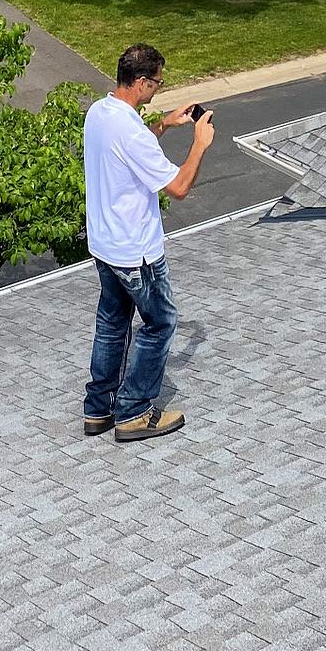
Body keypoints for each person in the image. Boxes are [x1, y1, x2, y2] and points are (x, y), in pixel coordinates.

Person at [81, 43, 216, 442]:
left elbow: (128, 146)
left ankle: (98, 410)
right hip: (137, 253)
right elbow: (178, 187)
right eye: (156, 82)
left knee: (112, 324)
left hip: (105, 247)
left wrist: (163, 125)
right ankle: (135, 412)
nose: (158, 88)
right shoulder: (130, 132)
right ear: (140, 81)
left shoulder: (99, 114)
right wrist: (198, 144)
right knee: (160, 323)